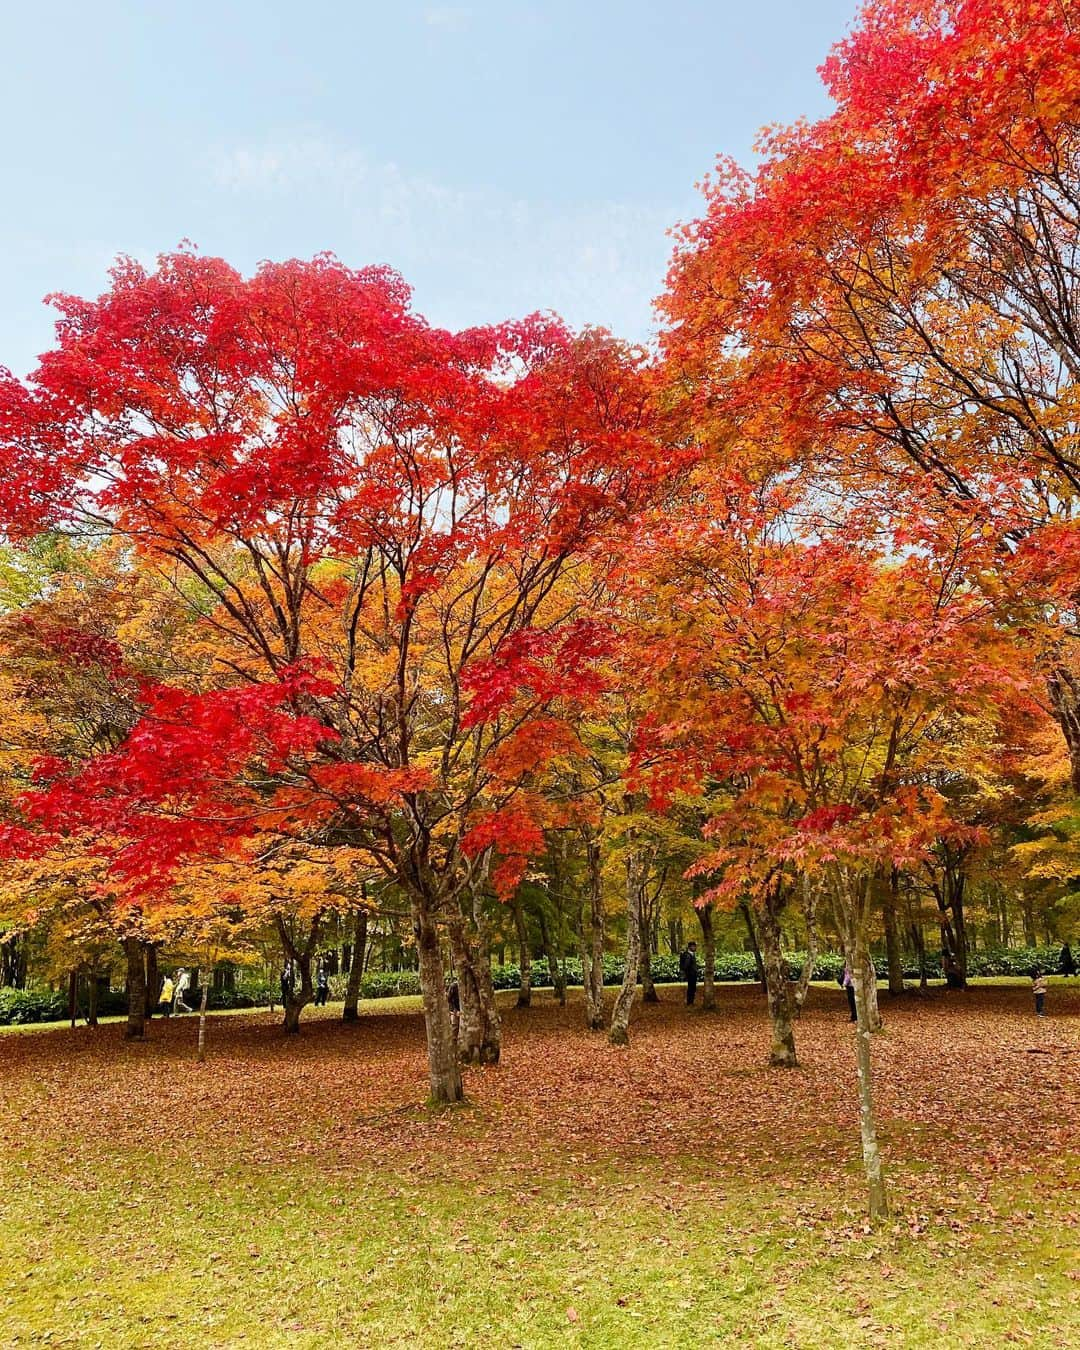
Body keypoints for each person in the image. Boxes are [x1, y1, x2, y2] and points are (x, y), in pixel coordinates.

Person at [447, 977, 461, 1042]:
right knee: (455, 1026)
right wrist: (452, 1010)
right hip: (456, 1009)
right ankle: (453, 1041)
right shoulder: (454, 986)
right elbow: (449, 999)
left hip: (465, 1009)